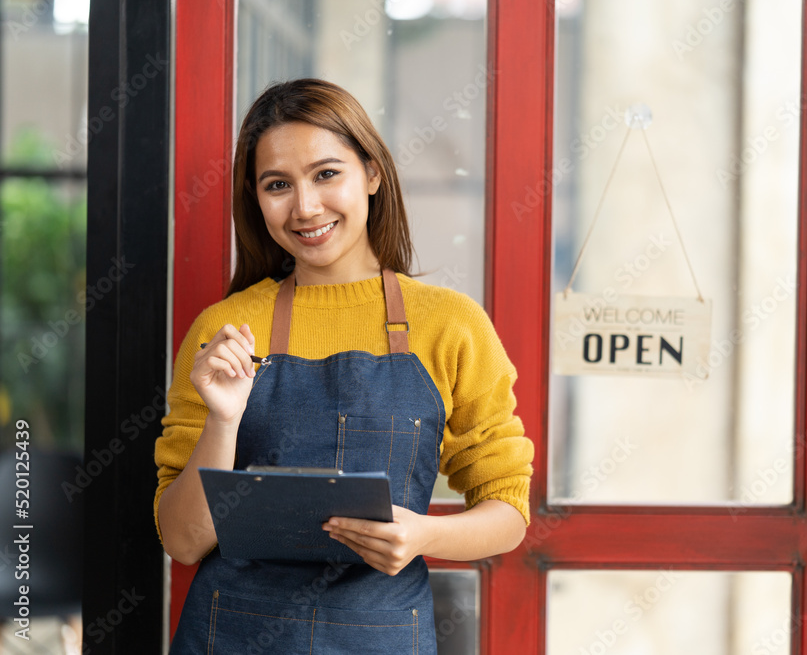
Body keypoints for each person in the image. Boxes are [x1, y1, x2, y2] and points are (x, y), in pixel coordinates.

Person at [154, 78, 533, 653]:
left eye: (327, 174)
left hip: (380, 635)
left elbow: (508, 509)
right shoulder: (224, 330)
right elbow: (182, 541)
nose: (305, 207)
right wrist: (223, 421)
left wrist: (423, 533)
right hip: (231, 634)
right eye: (277, 185)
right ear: (255, 199)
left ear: (373, 174)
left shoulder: (451, 324)